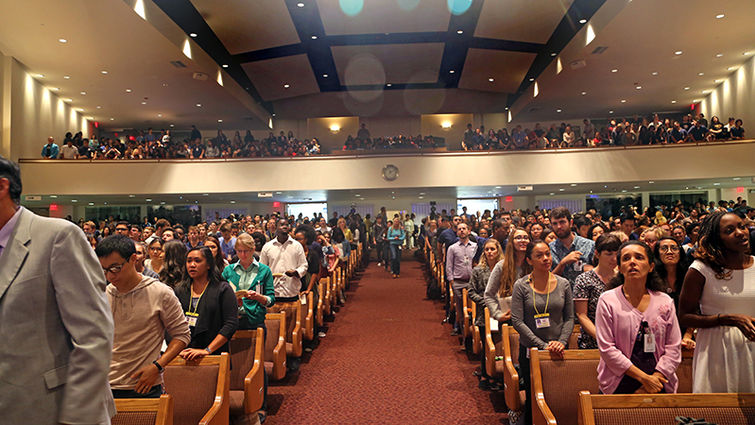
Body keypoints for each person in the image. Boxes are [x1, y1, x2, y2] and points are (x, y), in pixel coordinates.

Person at [0, 155, 115, 424]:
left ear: (2, 187)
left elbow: (93, 336)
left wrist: (77, 417)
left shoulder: (58, 237)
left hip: (53, 409)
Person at [96, 235, 191, 399]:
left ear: (133, 259)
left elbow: (182, 335)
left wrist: (157, 366)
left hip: (143, 385)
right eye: (104, 270)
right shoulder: (103, 294)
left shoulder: (160, 292)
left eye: (115, 268)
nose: (110, 276)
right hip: (104, 385)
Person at [679, 211, 755, 393]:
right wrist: (726, 319)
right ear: (716, 239)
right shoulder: (701, 270)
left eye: (742, 226)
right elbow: (685, 317)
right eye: (729, 230)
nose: (740, 233)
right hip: (717, 349)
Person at [595, 240, 682, 394]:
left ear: (651, 266)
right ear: (620, 268)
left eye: (639, 257)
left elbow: (673, 347)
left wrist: (656, 377)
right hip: (619, 381)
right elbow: (607, 348)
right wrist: (644, 379)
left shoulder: (665, 301)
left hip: (659, 382)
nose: (633, 262)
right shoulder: (607, 300)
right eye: (626, 258)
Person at [511, 240, 574, 425]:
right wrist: (543, 346)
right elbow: (517, 321)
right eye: (539, 255)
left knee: (559, 396)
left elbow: (570, 318)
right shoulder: (521, 286)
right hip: (532, 351)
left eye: (547, 254)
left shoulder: (563, 284)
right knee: (534, 397)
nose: (546, 259)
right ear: (529, 260)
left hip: (560, 350)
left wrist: (561, 342)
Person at [259, 218, 308, 371]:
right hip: (273, 295)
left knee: (289, 329)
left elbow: (304, 265)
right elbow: (262, 268)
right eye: (281, 224)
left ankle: (291, 357)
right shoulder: (268, 247)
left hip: (291, 294)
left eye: (287, 224)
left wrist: (296, 272)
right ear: (275, 228)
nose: (284, 226)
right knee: (274, 331)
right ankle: (276, 359)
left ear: (290, 227)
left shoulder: (296, 245)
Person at [174, 247, 238, 359]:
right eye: (189, 261)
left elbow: (230, 324)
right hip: (184, 354)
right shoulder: (180, 290)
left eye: (197, 261)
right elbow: (171, 324)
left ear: (208, 265)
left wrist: (207, 350)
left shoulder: (222, 289)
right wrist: (179, 350)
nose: (192, 265)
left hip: (214, 354)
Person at [469, 238, 504, 390]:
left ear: (498, 251)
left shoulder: (504, 267)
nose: (489, 252)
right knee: (486, 345)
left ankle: (499, 376)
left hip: (502, 310)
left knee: (500, 345)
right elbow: (471, 291)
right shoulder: (478, 270)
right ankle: (485, 375)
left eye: (492, 249)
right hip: (485, 312)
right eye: (487, 249)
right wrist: (487, 302)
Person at [574, 233, 620, 349]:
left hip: (621, 340)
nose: (614, 259)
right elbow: (582, 315)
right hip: (593, 342)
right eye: (608, 254)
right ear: (597, 254)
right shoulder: (584, 279)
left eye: (617, 254)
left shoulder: (622, 278)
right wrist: (603, 339)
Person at [654, 237, 695, 350]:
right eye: (664, 248)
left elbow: (695, 309)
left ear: (680, 252)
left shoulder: (689, 276)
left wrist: (688, 336)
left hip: (686, 338)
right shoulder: (651, 279)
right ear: (657, 253)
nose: (669, 252)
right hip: (658, 338)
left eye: (674, 248)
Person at [549, 207, 595, 285]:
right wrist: (562, 264)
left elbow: (600, 273)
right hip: (560, 295)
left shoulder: (589, 245)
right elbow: (548, 280)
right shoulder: (549, 249)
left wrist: (591, 270)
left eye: (562, 222)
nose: (559, 226)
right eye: (555, 223)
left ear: (570, 223)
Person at [446, 222, 477, 336]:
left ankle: (473, 330)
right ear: (457, 232)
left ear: (469, 231)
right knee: (459, 308)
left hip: (473, 282)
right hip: (458, 282)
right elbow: (449, 266)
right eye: (459, 229)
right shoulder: (452, 248)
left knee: (473, 307)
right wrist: (452, 281)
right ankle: (458, 327)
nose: (462, 231)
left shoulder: (475, 246)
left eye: (464, 229)